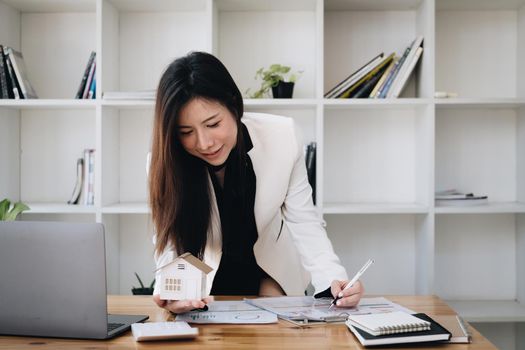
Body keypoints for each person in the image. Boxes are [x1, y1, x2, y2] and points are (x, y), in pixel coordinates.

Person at [149, 51, 364, 314]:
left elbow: (304, 220)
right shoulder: (165, 161)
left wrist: (334, 278)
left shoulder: (283, 136)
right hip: (208, 283)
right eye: (186, 132)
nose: (204, 143)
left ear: (234, 105)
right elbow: (168, 238)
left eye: (213, 124)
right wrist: (171, 292)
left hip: (270, 272)